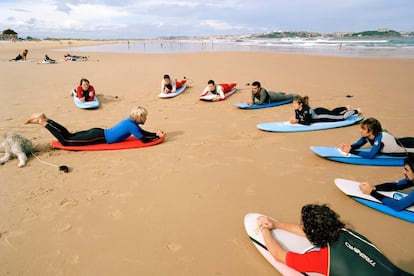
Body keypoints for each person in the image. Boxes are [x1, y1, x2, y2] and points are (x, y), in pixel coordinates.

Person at [257, 204, 410, 275]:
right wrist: (276, 224)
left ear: (313, 231)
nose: (300, 226)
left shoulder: (323, 259)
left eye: (302, 224)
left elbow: (278, 254)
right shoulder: (347, 232)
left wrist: (264, 228)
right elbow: (308, 232)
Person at [24, 106, 166, 146]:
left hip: (98, 132)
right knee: (66, 141)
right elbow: (144, 140)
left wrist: (155, 134)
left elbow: (143, 133)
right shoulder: (132, 126)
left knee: (70, 135)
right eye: (145, 116)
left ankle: (47, 119)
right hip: (97, 138)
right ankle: (43, 122)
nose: (146, 118)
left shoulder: (131, 123)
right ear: (139, 117)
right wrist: (157, 138)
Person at [339, 117, 414, 159]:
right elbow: (358, 144)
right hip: (403, 141)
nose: (360, 131)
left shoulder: (379, 139)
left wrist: (351, 151)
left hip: (408, 147)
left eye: (363, 129)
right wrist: (350, 147)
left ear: (371, 131)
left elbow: (370, 155)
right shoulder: (368, 136)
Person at [289, 95, 361, 125]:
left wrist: (297, 121)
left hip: (322, 116)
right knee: (332, 112)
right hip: (318, 111)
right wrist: (295, 119)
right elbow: (299, 117)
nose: (293, 105)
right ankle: (346, 108)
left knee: (341, 117)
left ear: (300, 104)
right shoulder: (297, 109)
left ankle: (357, 111)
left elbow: (308, 122)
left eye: (295, 104)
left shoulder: (306, 110)